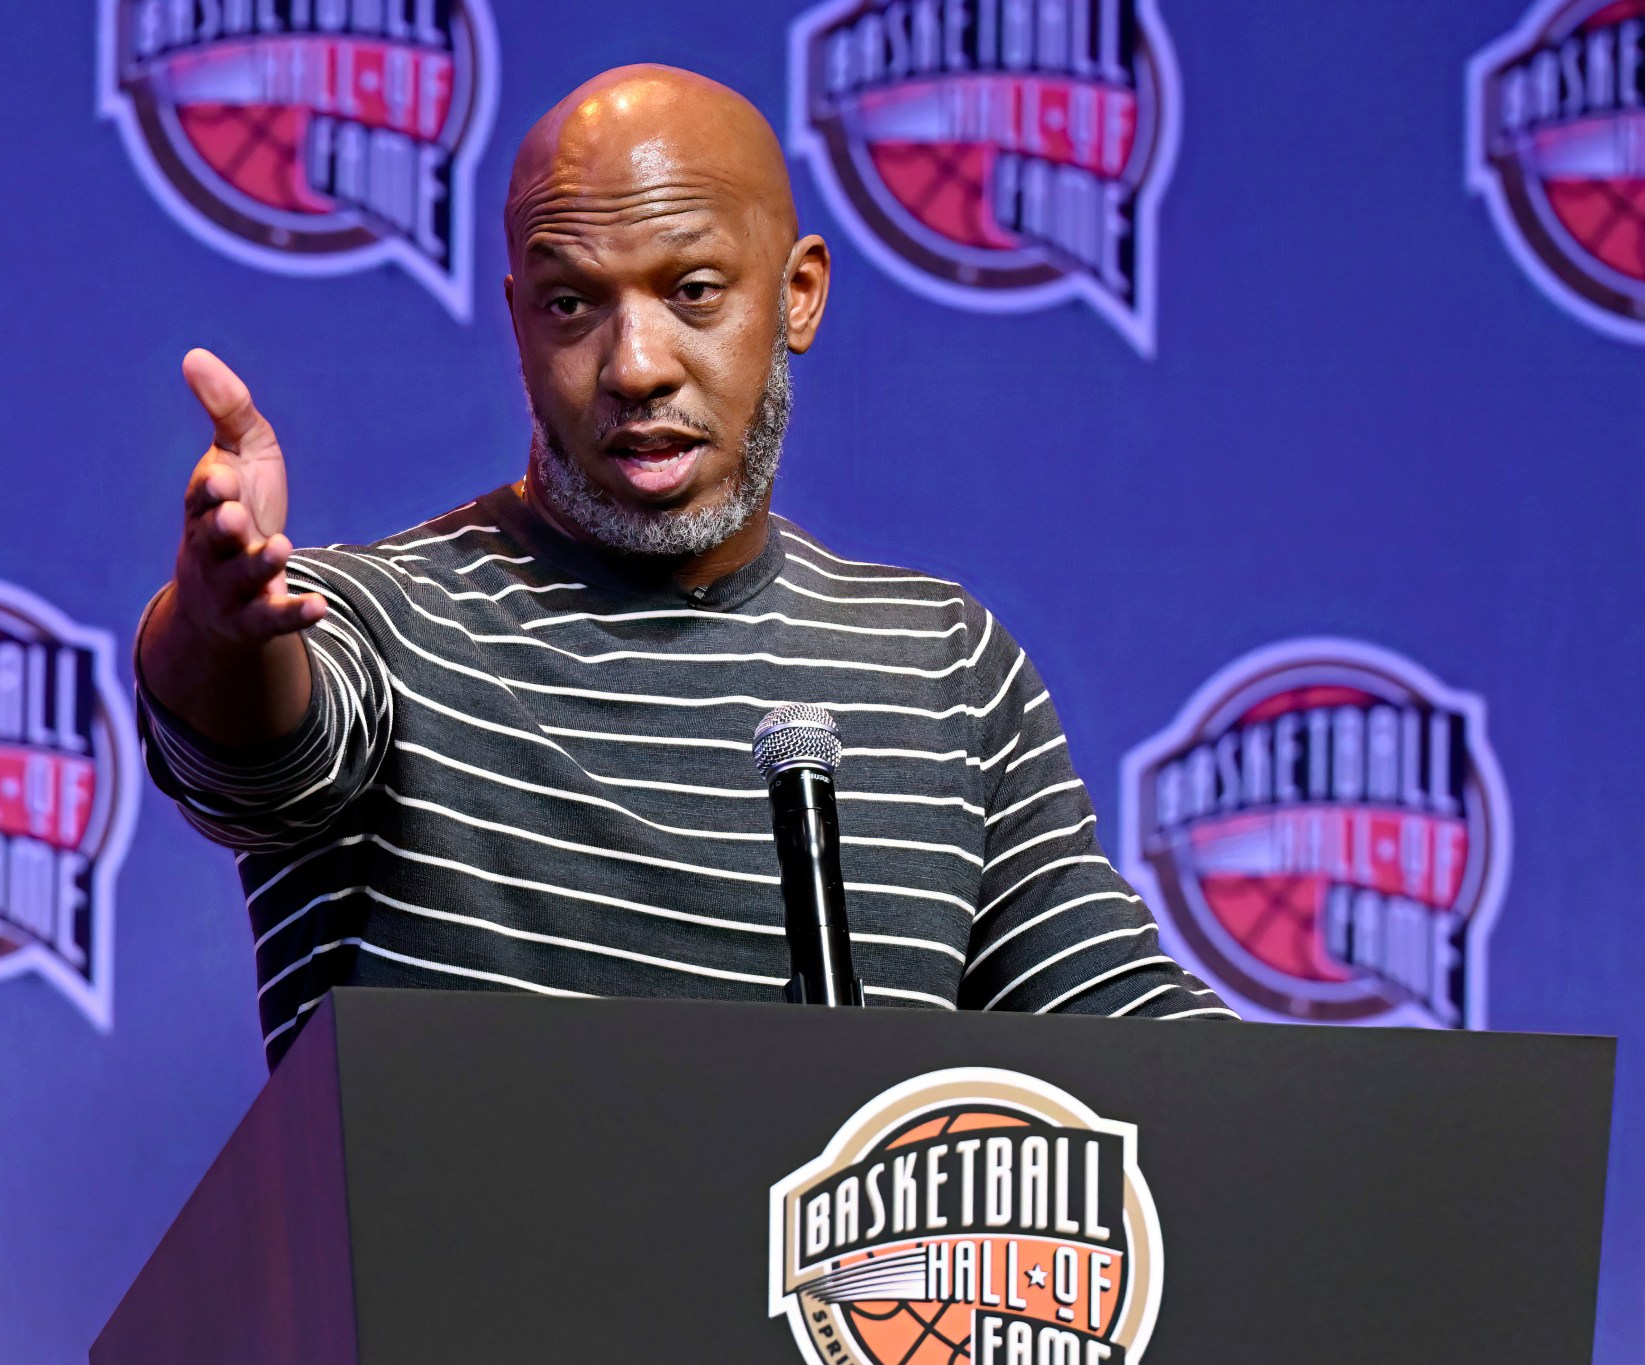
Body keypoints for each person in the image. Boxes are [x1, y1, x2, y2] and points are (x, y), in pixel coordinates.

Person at [136, 65, 1234, 1065]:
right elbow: (257, 756)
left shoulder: (940, 665)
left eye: (694, 291)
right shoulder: (378, 621)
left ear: (797, 295)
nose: (636, 366)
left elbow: (1138, 1053)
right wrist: (216, 626)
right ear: (517, 321)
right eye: (573, 304)